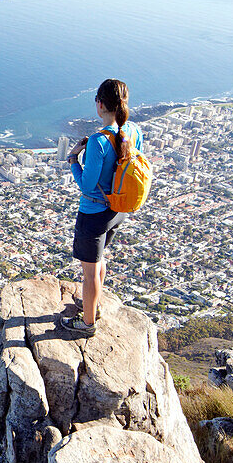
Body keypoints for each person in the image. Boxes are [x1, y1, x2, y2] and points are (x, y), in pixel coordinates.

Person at [60, 78, 143, 336]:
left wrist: (73, 158)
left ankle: (87, 323)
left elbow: (86, 185)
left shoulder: (98, 141)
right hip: (117, 210)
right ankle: (91, 306)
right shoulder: (134, 132)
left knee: (89, 272)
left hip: (94, 213)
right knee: (98, 260)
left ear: (100, 104)